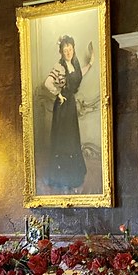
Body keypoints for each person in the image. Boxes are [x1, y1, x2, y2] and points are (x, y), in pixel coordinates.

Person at [44, 35, 93, 193]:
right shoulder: (59, 67)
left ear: (73, 49)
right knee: (64, 141)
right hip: (63, 107)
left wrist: (91, 63)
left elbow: (79, 75)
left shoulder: (74, 65)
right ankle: (63, 179)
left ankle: (74, 177)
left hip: (70, 106)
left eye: (70, 49)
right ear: (61, 52)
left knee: (72, 140)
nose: (68, 52)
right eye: (65, 50)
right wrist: (58, 94)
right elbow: (47, 83)